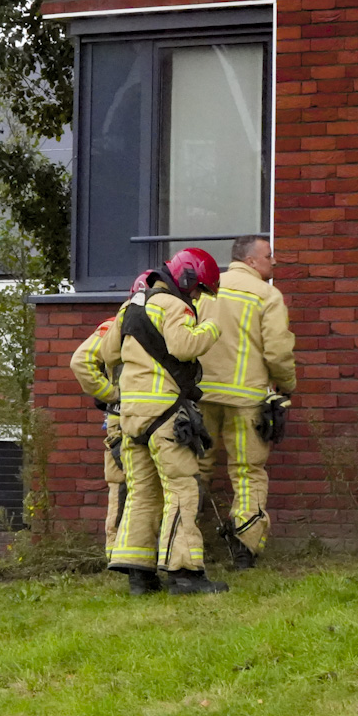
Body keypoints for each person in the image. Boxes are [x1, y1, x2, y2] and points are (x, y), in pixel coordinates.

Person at [108, 248, 224, 595]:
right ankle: (184, 573)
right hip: (164, 413)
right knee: (182, 489)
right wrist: (212, 329)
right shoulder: (174, 305)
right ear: (186, 278)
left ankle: (138, 576)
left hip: (131, 415)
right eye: (198, 289)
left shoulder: (131, 306)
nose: (197, 296)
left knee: (142, 492)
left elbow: (107, 353)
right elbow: (184, 345)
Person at [195, 234, 296, 570]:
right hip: (247, 399)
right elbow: (278, 351)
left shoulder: (206, 288)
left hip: (201, 395)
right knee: (247, 472)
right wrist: (287, 385)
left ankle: (181, 546)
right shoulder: (267, 295)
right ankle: (244, 551)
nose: (274, 261)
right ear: (252, 260)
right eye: (269, 255)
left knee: (193, 470)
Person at [66, 306, 128, 562]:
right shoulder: (119, 325)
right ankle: (119, 554)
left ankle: (121, 554)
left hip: (125, 419)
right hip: (131, 419)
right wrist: (113, 395)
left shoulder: (118, 324)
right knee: (126, 487)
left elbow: (83, 362)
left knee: (124, 487)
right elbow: (80, 363)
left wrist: (110, 395)